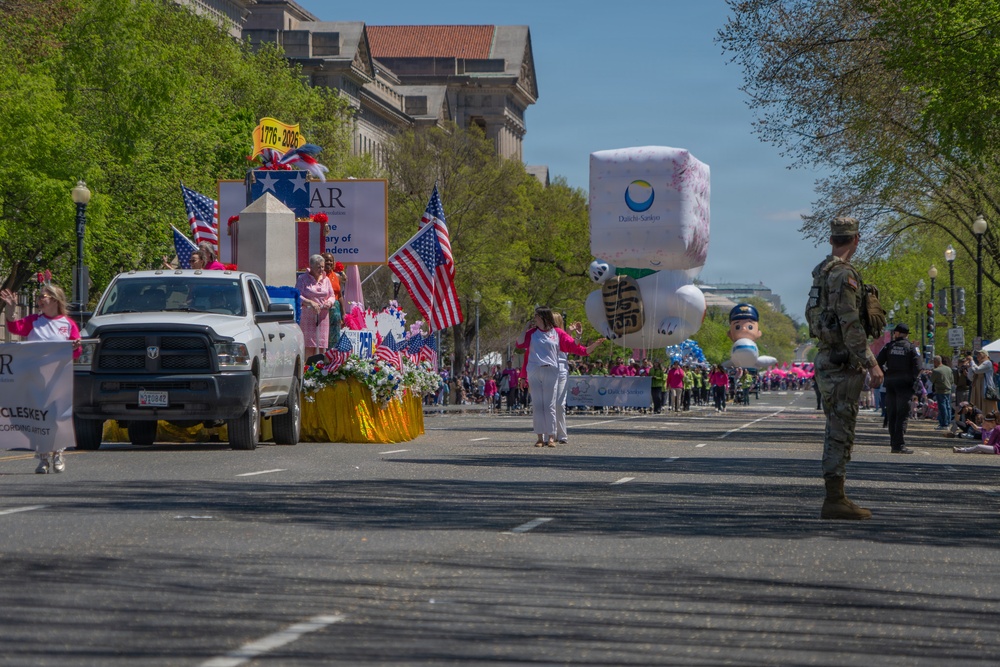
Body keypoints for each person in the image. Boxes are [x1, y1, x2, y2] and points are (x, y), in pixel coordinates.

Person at [807, 216, 883, 520]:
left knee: (838, 429)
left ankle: (837, 496)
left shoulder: (822, 272)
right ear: (856, 239)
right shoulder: (843, 274)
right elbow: (850, 322)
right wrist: (872, 362)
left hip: (828, 358)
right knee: (840, 431)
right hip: (841, 363)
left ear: (831, 239)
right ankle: (834, 499)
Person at [1, 283, 81, 474]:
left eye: (43, 296)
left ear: (54, 299)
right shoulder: (34, 321)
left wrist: (74, 347)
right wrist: (11, 310)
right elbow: (15, 328)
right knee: (38, 418)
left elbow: (76, 353)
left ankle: (58, 454)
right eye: (39, 296)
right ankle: (43, 458)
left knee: (55, 418)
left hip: (58, 381)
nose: (39, 300)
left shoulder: (68, 324)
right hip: (34, 379)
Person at [516, 307, 604, 447]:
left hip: (551, 370)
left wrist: (579, 336)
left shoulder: (557, 333)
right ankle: (540, 438)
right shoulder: (532, 333)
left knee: (551, 405)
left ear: (544, 317)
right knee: (538, 405)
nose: (535, 319)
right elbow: (519, 344)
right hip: (534, 370)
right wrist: (525, 328)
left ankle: (551, 437)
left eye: (537, 316)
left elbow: (574, 347)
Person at [876, 323, 921, 454]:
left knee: (892, 414)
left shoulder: (888, 347)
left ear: (897, 333)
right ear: (906, 334)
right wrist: (912, 379)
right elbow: (918, 367)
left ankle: (893, 443)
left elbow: (878, 362)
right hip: (905, 385)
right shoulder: (912, 348)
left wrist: (887, 374)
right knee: (902, 415)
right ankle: (899, 445)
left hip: (890, 384)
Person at [295, 254, 336, 359]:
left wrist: (329, 302)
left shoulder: (326, 280)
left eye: (322, 267)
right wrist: (310, 302)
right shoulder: (302, 279)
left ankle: (319, 370)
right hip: (308, 316)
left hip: (323, 316)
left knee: (321, 347)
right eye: (319, 267)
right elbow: (297, 295)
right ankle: (307, 369)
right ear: (311, 267)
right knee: (309, 346)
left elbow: (332, 295)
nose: (321, 269)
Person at [969, 349, 997, 416]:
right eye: (977, 354)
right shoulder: (978, 364)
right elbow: (971, 378)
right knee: (978, 406)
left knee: (987, 406)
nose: (977, 355)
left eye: (980, 354)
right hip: (977, 387)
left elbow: (977, 370)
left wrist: (972, 361)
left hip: (985, 388)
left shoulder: (988, 363)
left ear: (985, 355)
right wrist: (969, 367)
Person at [930, 355, 954, 431]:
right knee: (948, 407)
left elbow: (932, 380)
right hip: (948, 390)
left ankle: (944, 424)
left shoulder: (936, 370)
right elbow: (952, 380)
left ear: (935, 362)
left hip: (940, 390)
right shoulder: (948, 369)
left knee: (942, 407)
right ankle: (948, 422)